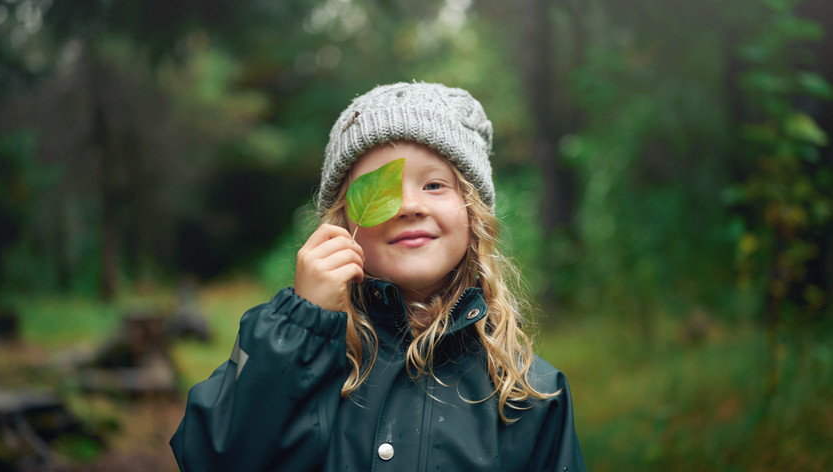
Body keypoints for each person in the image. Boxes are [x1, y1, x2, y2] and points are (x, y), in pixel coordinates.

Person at [170, 82, 586, 471]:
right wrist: (302, 324)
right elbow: (212, 456)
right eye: (380, 188)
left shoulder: (530, 394)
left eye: (435, 185)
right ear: (343, 218)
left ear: (473, 213)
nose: (408, 204)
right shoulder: (288, 347)